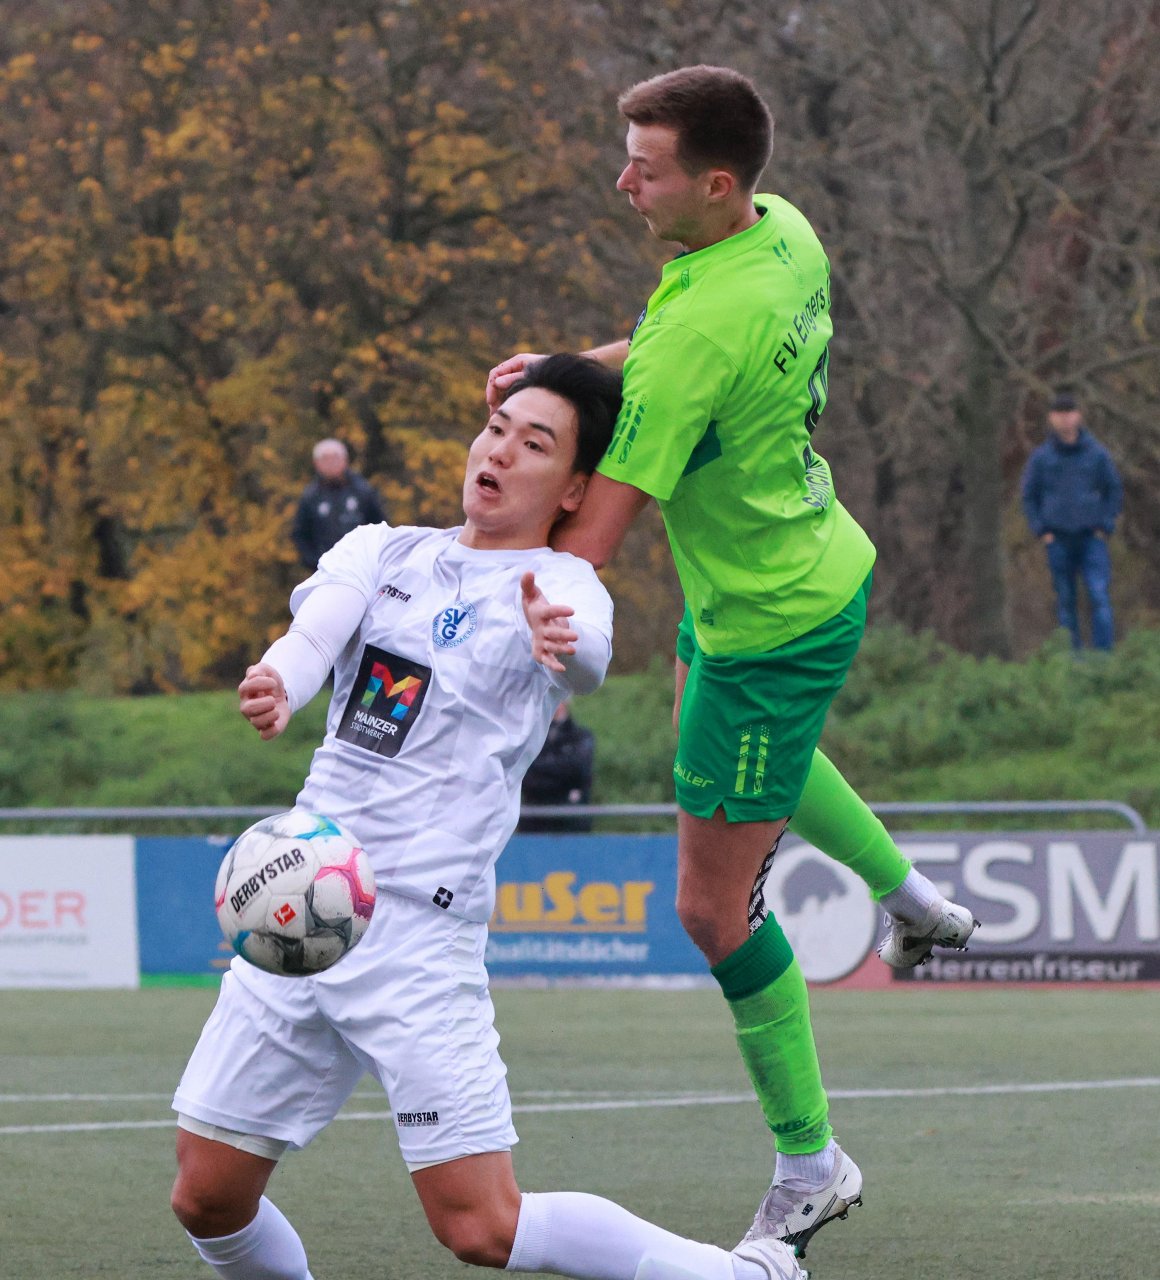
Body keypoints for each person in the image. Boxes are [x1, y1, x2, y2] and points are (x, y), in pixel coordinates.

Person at [169, 354, 805, 1280]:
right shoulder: (380, 549)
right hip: (297, 906)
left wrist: (562, 642)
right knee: (207, 1195)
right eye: (497, 428)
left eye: (534, 442)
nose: (500, 451)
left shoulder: (565, 583)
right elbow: (314, 635)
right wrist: (280, 681)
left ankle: (742, 1276)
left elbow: (584, 653)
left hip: (416, 932)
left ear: (575, 485)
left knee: (481, 1228)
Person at [487, 65, 978, 1258]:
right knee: (740, 761)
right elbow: (661, 355)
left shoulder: (699, 326)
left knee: (710, 911)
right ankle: (913, 896)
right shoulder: (780, 229)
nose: (621, 181)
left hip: (768, 628)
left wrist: (474, 542)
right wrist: (564, 372)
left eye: (642, 167)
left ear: (713, 181)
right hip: (793, 568)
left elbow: (588, 544)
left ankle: (809, 1164)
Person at [1021, 388, 1122, 651]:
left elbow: (1113, 490)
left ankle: (1104, 661)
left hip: (1092, 538)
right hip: (1058, 539)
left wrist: (1105, 525)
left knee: (1099, 597)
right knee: (1066, 602)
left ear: (1078, 416)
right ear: (1051, 419)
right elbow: (1029, 496)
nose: (1065, 419)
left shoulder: (1097, 454)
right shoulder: (1041, 459)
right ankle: (1072, 662)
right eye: (1059, 414)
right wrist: (1041, 530)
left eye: (1069, 413)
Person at [290, 438, 387, 570]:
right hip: (325, 572)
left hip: (362, 568)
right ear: (316, 463)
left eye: (335, 458)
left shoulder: (363, 491)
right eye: (325, 459)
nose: (331, 463)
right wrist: (316, 563)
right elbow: (300, 535)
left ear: (345, 460)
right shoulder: (310, 496)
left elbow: (380, 527)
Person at [518, 699, 596, 833]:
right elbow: (523, 771)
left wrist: (539, 769)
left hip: (571, 824)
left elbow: (578, 769)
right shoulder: (529, 736)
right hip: (533, 824)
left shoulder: (581, 736)